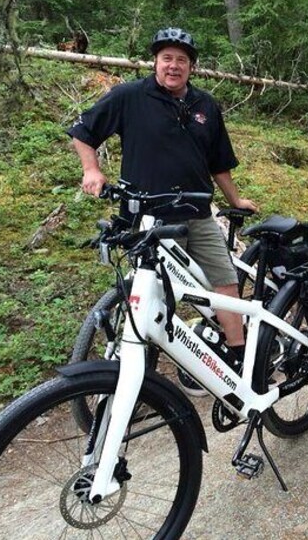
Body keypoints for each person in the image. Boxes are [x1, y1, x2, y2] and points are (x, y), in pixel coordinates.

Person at [67, 26, 258, 396]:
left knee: (224, 281)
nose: (173, 66)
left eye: (181, 61)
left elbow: (219, 163)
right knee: (148, 289)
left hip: (197, 212)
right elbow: (83, 131)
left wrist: (234, 200)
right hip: (146, 217)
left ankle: (238, 355)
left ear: (191, 67)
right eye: (167, 58)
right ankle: (140, 367)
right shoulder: (129, 97)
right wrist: (91, 170)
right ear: (155, 61)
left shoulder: (205, 106)